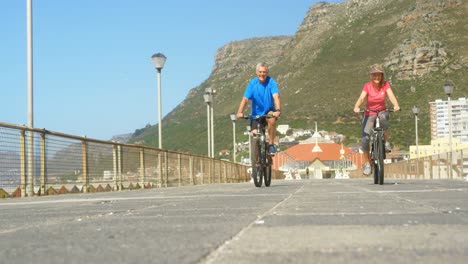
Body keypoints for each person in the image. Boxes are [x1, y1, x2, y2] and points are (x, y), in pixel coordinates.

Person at [353, 64, 400, 175]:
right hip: (370, 113)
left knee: (384, 117)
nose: (376, 77)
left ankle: (385, 142)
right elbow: (361, 98)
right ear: (371, 76)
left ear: (382, 75)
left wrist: (396, 105)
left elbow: (391, 96)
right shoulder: (367, 86)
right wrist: (356, 106)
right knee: (365, 139)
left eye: (378, 75)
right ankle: (367, 163)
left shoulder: (386, 85)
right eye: (374, 75)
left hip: (382, 111)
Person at [236, 62, 281, 155]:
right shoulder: (252, 84)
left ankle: (271, 145)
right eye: (260, 72)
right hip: (256, 114)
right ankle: (256, 164)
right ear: (257, 72)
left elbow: (276, 97)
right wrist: (240, 112)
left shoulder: (271, 82)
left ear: (267, 73)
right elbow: (245, 99)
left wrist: (278, 110)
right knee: (255, 135)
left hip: (268, 111)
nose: (262, 74)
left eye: (264, 72)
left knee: (272, 120)